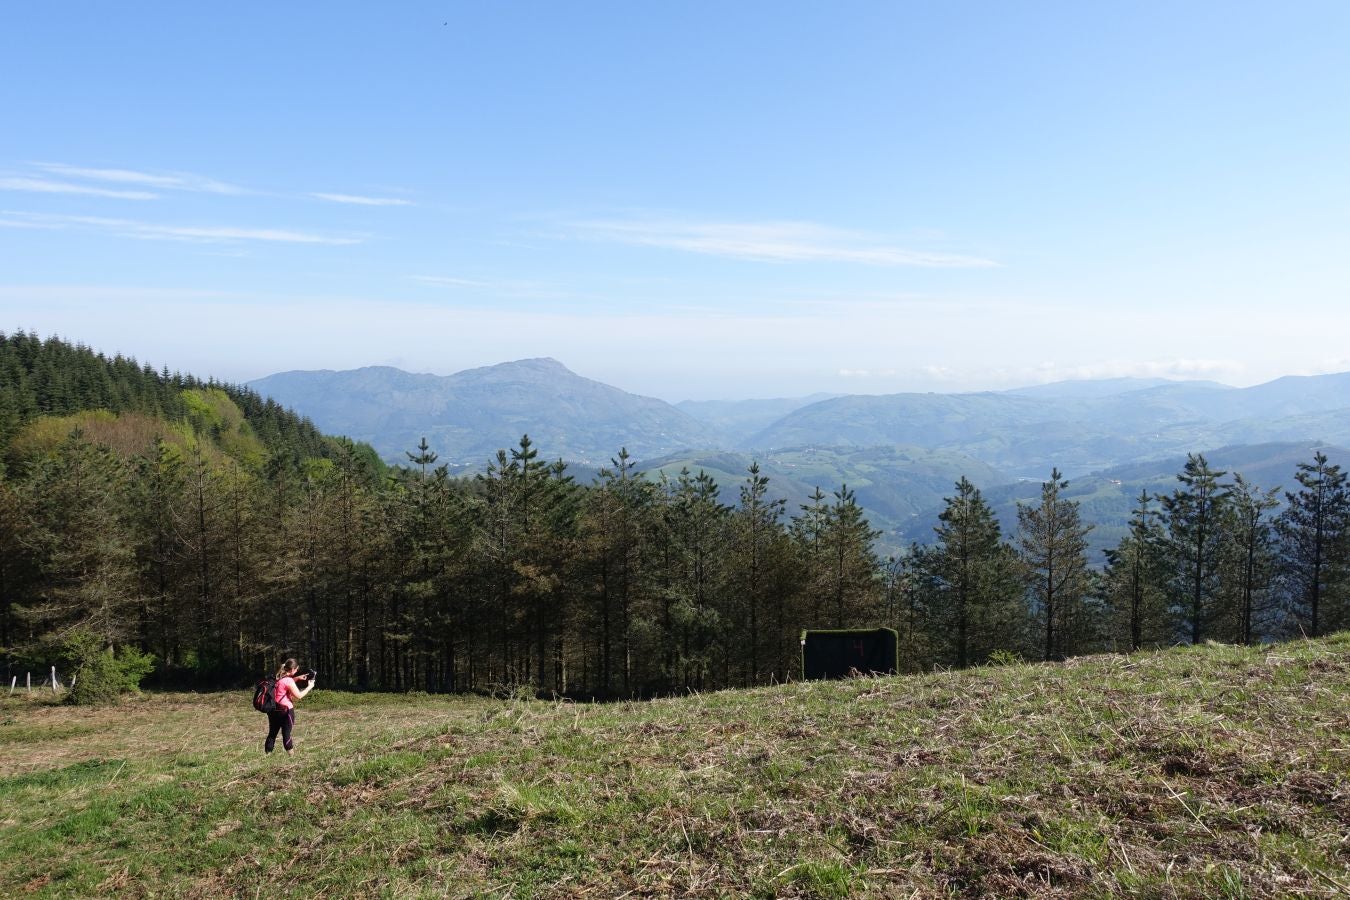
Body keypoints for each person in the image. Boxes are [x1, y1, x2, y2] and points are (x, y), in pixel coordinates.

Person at [264, 658, 314, 755]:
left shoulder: (277, 677)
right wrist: (309, 687)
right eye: (296, 669)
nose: (297, 671)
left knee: (272, 734)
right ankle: (292, 757)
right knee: (286, 734)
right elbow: (298, 696)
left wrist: (297, 678)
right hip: (286, 711)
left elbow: (283, 684)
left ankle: (267, 756)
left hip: (273, 710)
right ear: (293, 669)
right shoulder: (289, 681)